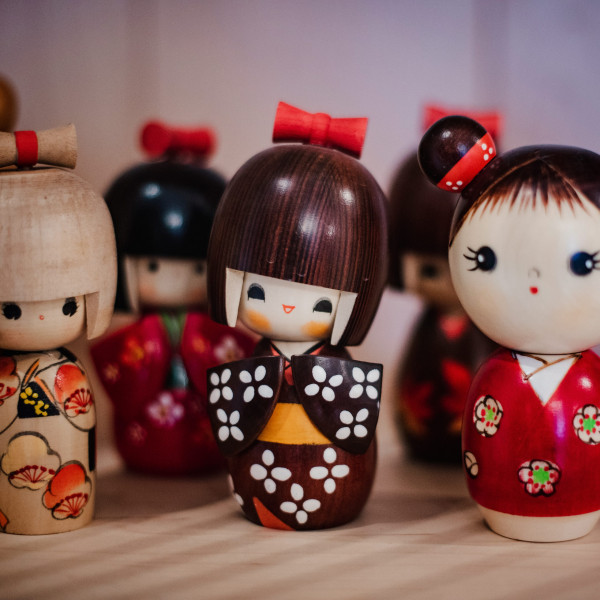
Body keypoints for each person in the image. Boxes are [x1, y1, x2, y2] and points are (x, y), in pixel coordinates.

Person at [206, 103, 388, 530]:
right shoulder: (256, 357)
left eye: (321, 303)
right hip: (257, 471)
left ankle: (335, 502)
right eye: (257, 292)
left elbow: (355, 431)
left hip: (334, 477)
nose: (287, 309)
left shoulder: (339, 367)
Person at [419, 115, 600, 541]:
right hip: (494, 498)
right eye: (485, 260)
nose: (534, 283)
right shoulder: (495, 374)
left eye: (582, 264)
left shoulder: (589, 379)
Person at [91, 122, 255, 476]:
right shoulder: (143, 329)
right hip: (148, 419)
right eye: (152, 267)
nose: (176, 280)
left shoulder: (209, 329)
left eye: (197, 269)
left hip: (199, 415)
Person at [0, 125, 117, 534]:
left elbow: (84, 435)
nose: (41, 319)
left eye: (69, 305)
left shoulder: (69, 372)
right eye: (10, 310)